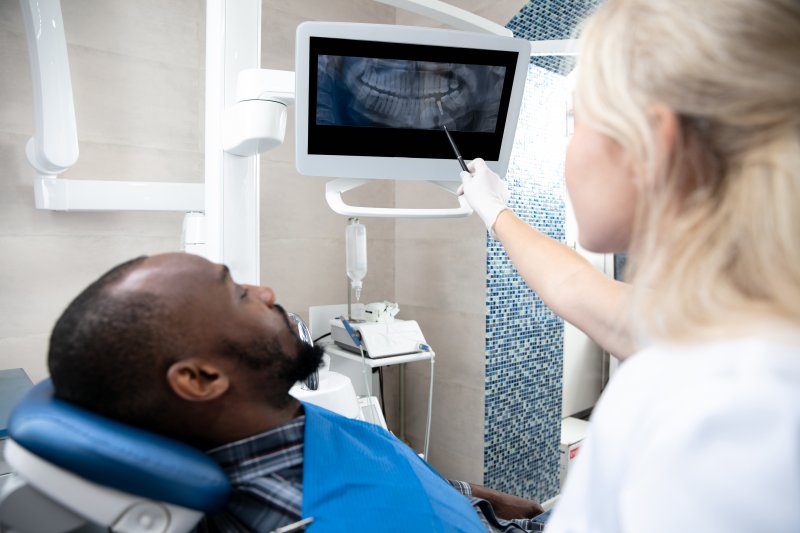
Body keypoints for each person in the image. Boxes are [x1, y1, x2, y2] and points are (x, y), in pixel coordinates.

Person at [460, 0, 800, 531]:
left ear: (650, 144)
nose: (570, 148)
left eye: (581, 120)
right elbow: (577, 286)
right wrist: (495, 210)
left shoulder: (707, 414)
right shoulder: (737, 326)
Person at [47, 252, 545, 533]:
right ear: (200, 380)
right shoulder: (314, 518)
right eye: (239, 294)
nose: (265, 292)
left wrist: (480, 498)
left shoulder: (286, 425)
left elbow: (385, 471)